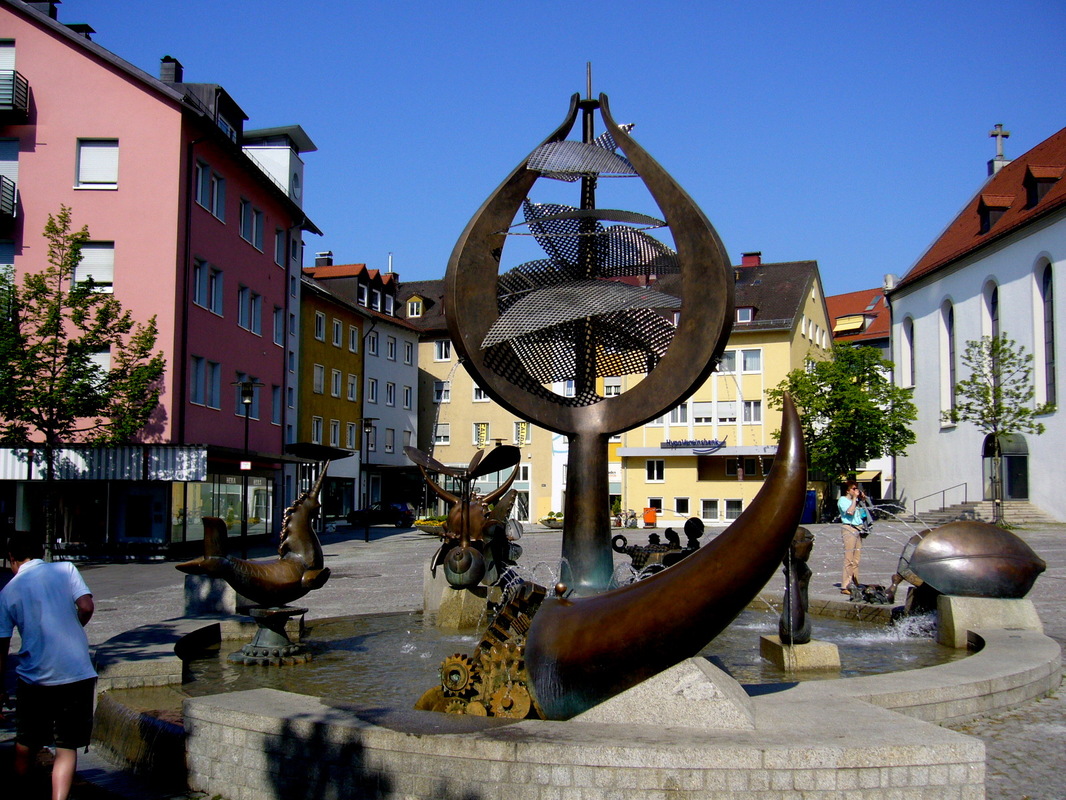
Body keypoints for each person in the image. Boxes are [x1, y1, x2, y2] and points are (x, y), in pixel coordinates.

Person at [0, 532, 96, 800]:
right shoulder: (66, 569)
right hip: (76, 672)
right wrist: (74, 627)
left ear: (12, 558)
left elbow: (2, 645)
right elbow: (86, 606)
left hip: (35, 678)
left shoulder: (7, 592)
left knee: (25, 743)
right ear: (41, 552)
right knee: (66, 746)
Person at [836, 481, 869, 594]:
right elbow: (850, 512)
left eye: (856, 488)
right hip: (849, 528)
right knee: (849, 558)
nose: (856, 490)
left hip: (858, 528)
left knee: (856, 559)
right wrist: (855, 499)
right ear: (847, 490)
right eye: (854, 489)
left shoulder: (857, 501)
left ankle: (855, 582)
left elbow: (865, 513)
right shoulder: (842, 500)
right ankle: (845, 586)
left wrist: (863, 500)